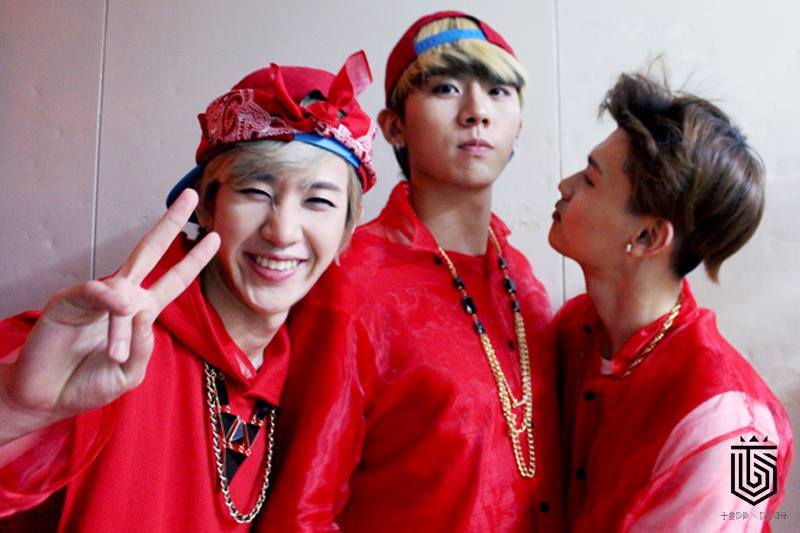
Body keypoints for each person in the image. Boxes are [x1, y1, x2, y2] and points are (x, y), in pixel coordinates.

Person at [0, 51, 377, 530]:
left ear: (347, 231)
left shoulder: (316, 373)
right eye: (255, 192)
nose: (282, 232)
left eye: (318, 201)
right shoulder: (104, 344)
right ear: (206, 206)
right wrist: (14, 408)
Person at [261, 11, 562, 532]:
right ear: (393, 126)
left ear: (519, 125)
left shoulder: (524, 280)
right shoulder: (353, 281)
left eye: (498, 91)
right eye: (446, 89)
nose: (476, 112)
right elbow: (301, 511)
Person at [550, 71, 793, 532]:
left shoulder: (736, 428)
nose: (565, 185)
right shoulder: (573, 329)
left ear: (647, 237)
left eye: (590, 179)